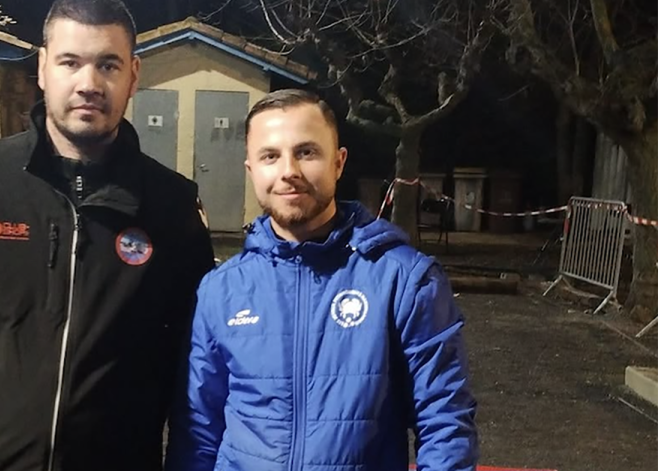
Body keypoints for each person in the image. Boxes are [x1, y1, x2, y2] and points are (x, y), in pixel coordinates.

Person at [0, 1, 215, 470]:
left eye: (108, 64)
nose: (89, 84)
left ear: (134, 74)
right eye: (70, 62)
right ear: (43, 68)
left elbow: (193, 346)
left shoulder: (172, 205)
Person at [166, 89, 478, 471]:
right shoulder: (221, 290)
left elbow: (445, 422)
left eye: (307, 152)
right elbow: (198, 429)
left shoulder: (405, 279)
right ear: (251, 169)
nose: (288, 171)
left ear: (338, 163)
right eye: (270, 156)